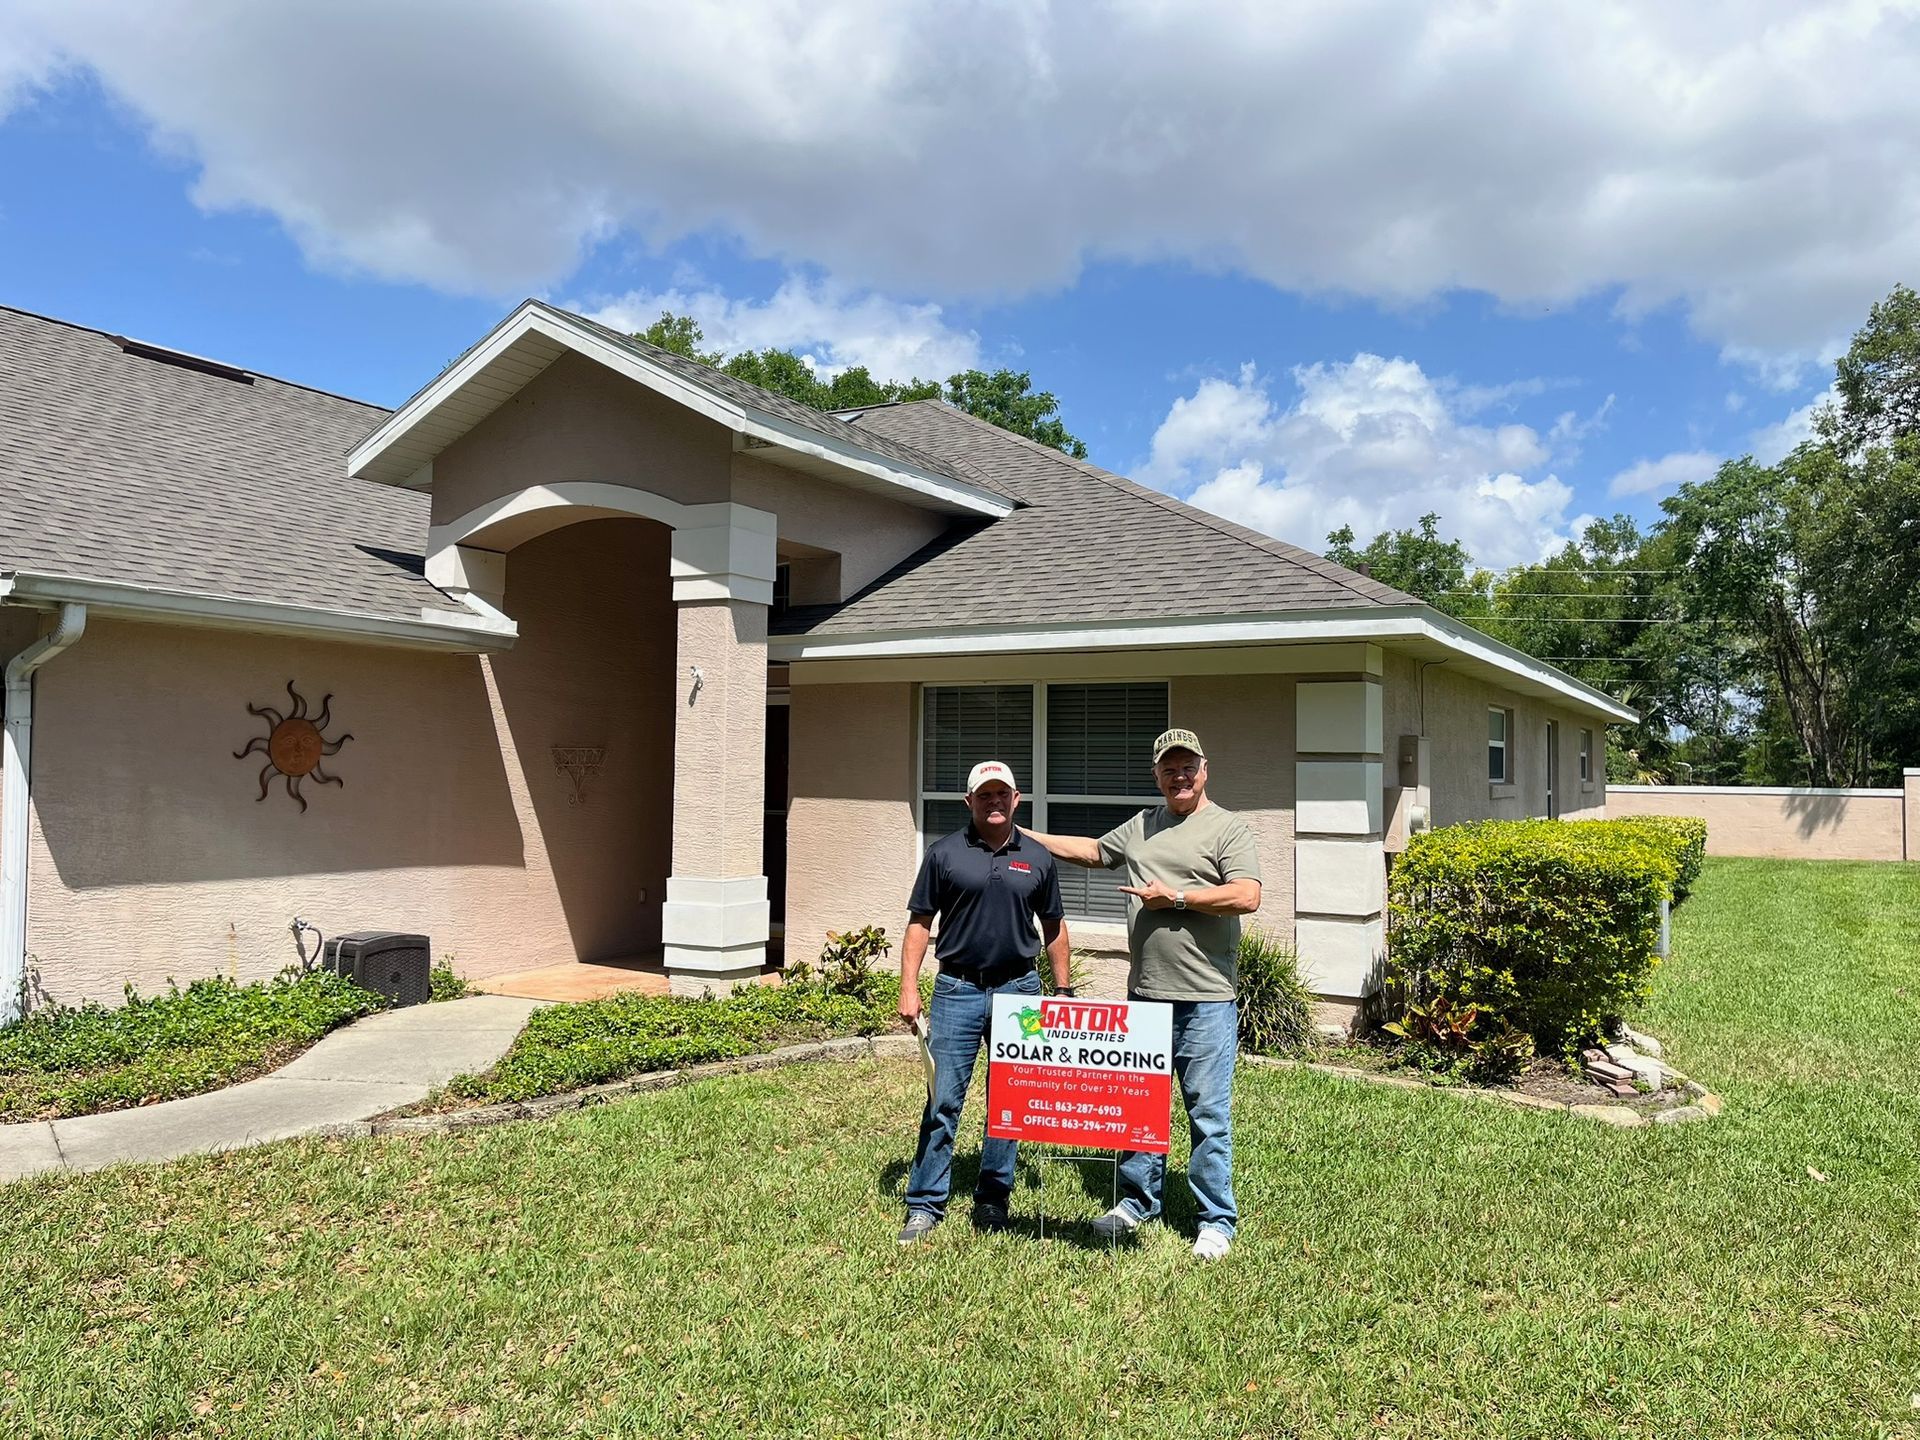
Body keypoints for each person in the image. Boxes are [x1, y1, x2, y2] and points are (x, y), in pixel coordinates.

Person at [1023, 727, 1260, 1261]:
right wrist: (1024, 834)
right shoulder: (1142, 825)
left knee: (1208, 1115)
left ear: (1204, 771)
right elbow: (1091, 851)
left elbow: (1247, 895)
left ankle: (1215, 1220)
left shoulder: (1227, 828)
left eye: (1188, 767)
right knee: (1140, 1108)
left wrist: (1176, 898)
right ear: (1156, 775)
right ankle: (1137, 1201)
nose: (1179, 776)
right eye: (1168, 768)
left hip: (1207, 999)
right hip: (1146, 996)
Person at [897, 760, 1073, 1244]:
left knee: (1010, 1102)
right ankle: (925, 1203)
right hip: (957, 989)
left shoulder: (1037, 857)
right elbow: (919, 922)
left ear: (1017, 800)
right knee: (942, 1099)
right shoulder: (944, 854)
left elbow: (1054, 926)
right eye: (984, 794)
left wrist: (1062, 991)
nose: (994, 802)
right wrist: (909, 985)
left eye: (1002, 794)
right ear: (969, 801)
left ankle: (994, 1198)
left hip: (1021, 992)